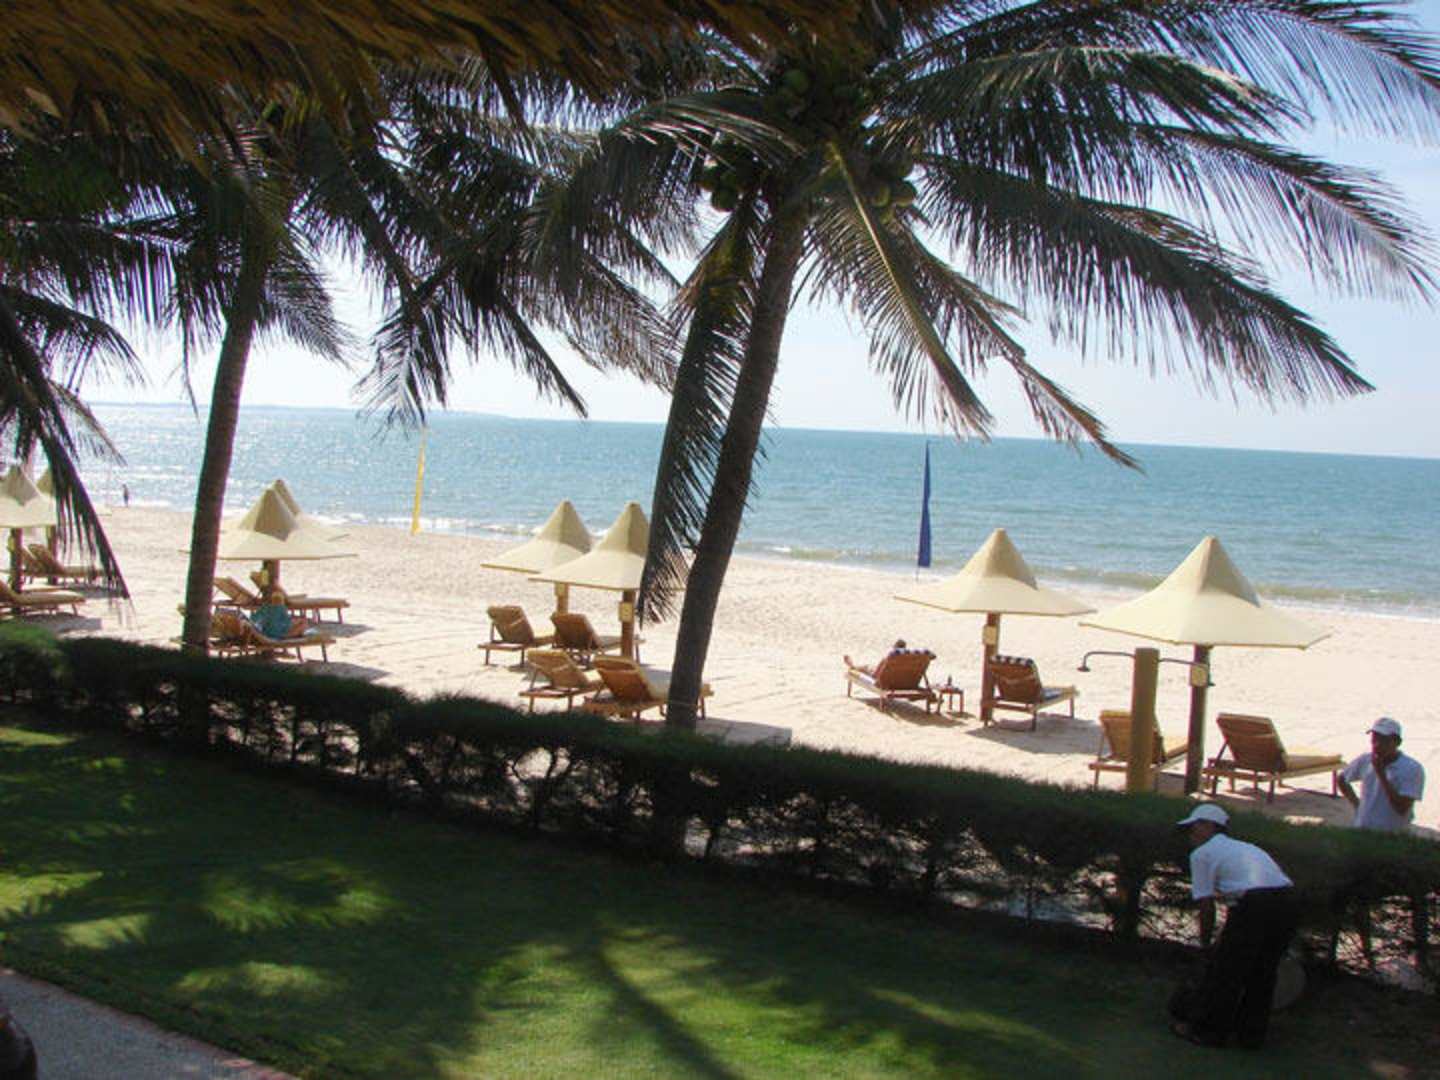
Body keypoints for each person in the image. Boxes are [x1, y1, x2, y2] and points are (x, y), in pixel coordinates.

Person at [1171, 803, 1299, 1050]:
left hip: (1255, 904)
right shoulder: (1248, 847)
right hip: (1287, 903)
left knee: (1226, 972)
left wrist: (1205, 943)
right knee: (1263, 972)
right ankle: (1251, 1037)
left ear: (1209, 826)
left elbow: (1207, 905)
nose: (1190, 836)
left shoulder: (1202, 854)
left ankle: (1208, 1032)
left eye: (1193, 827)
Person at [1338, 717, 1425, 832]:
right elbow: (1342, 779)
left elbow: (1402, 808)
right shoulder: (1365, 760)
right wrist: (1357, 805)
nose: (1377, 744)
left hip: (1392, 833)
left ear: (1397, 742)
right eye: (1374, 739)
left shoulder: (1412, 769)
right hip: (1363, 828)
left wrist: (1381, 774)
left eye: (1383, 740)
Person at [843, 639, 910, 678]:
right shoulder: (908, 660)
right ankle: (854, 666)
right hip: (898, 680)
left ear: (895, 647)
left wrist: (873, 672)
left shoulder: (889, 659)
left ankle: (853, 666)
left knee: (867, 667)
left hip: (882, 679)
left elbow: (877, 673)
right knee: (870, 666)